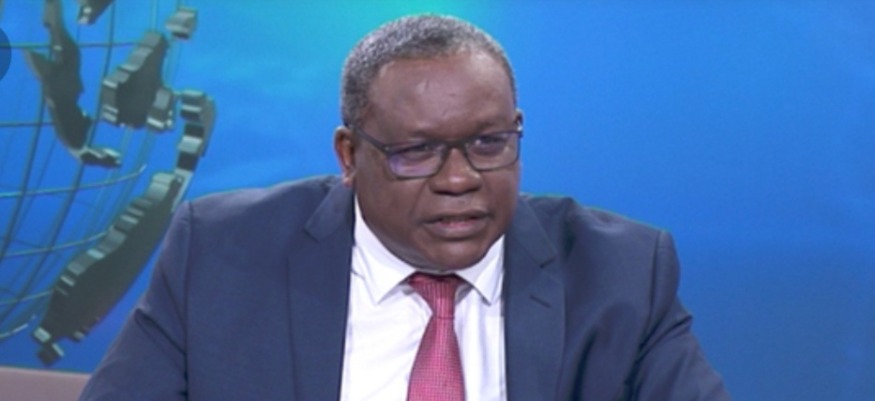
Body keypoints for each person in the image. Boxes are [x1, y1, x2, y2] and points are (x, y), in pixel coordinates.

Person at [79, 14, 732, 401]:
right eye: (417, 152)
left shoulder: (618, 273)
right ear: (348, 155)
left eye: (488, 143)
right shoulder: (223, 252)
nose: (460, 179)